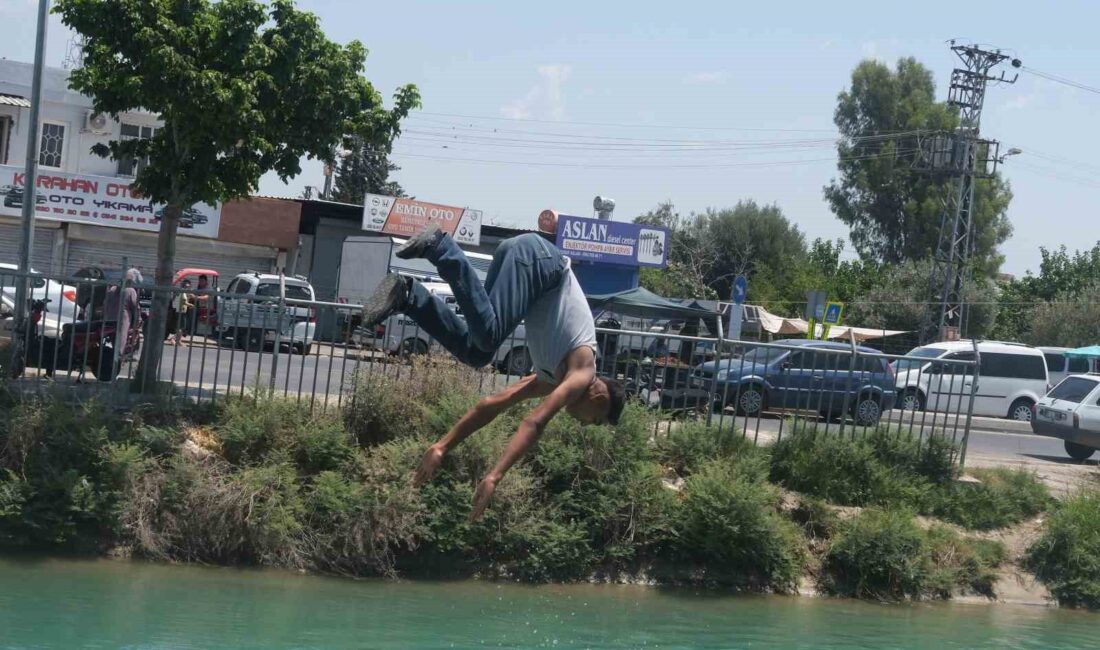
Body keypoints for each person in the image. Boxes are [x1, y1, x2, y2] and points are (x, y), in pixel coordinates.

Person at [362, 225, 626, 520]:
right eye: (594, 421)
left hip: (526, 261)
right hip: (539, 261)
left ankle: (408, 297)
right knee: (488, 338)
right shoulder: (581, 372)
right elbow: (535, 423)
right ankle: (440, 248)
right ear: (600, 398)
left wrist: (442, 446)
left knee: (478, 352)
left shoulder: (550, 379)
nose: (584, 424)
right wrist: (494, 477)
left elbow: (492, 405)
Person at [102, 268, 143, 360]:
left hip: (110, 319)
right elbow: (136, 307)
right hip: (123, 320)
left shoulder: (112, 289)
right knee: (123, 338)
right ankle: (119, 358)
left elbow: (105, 304)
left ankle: (114, 356)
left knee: (113, 338)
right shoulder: (130, 291)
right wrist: (138, 321)